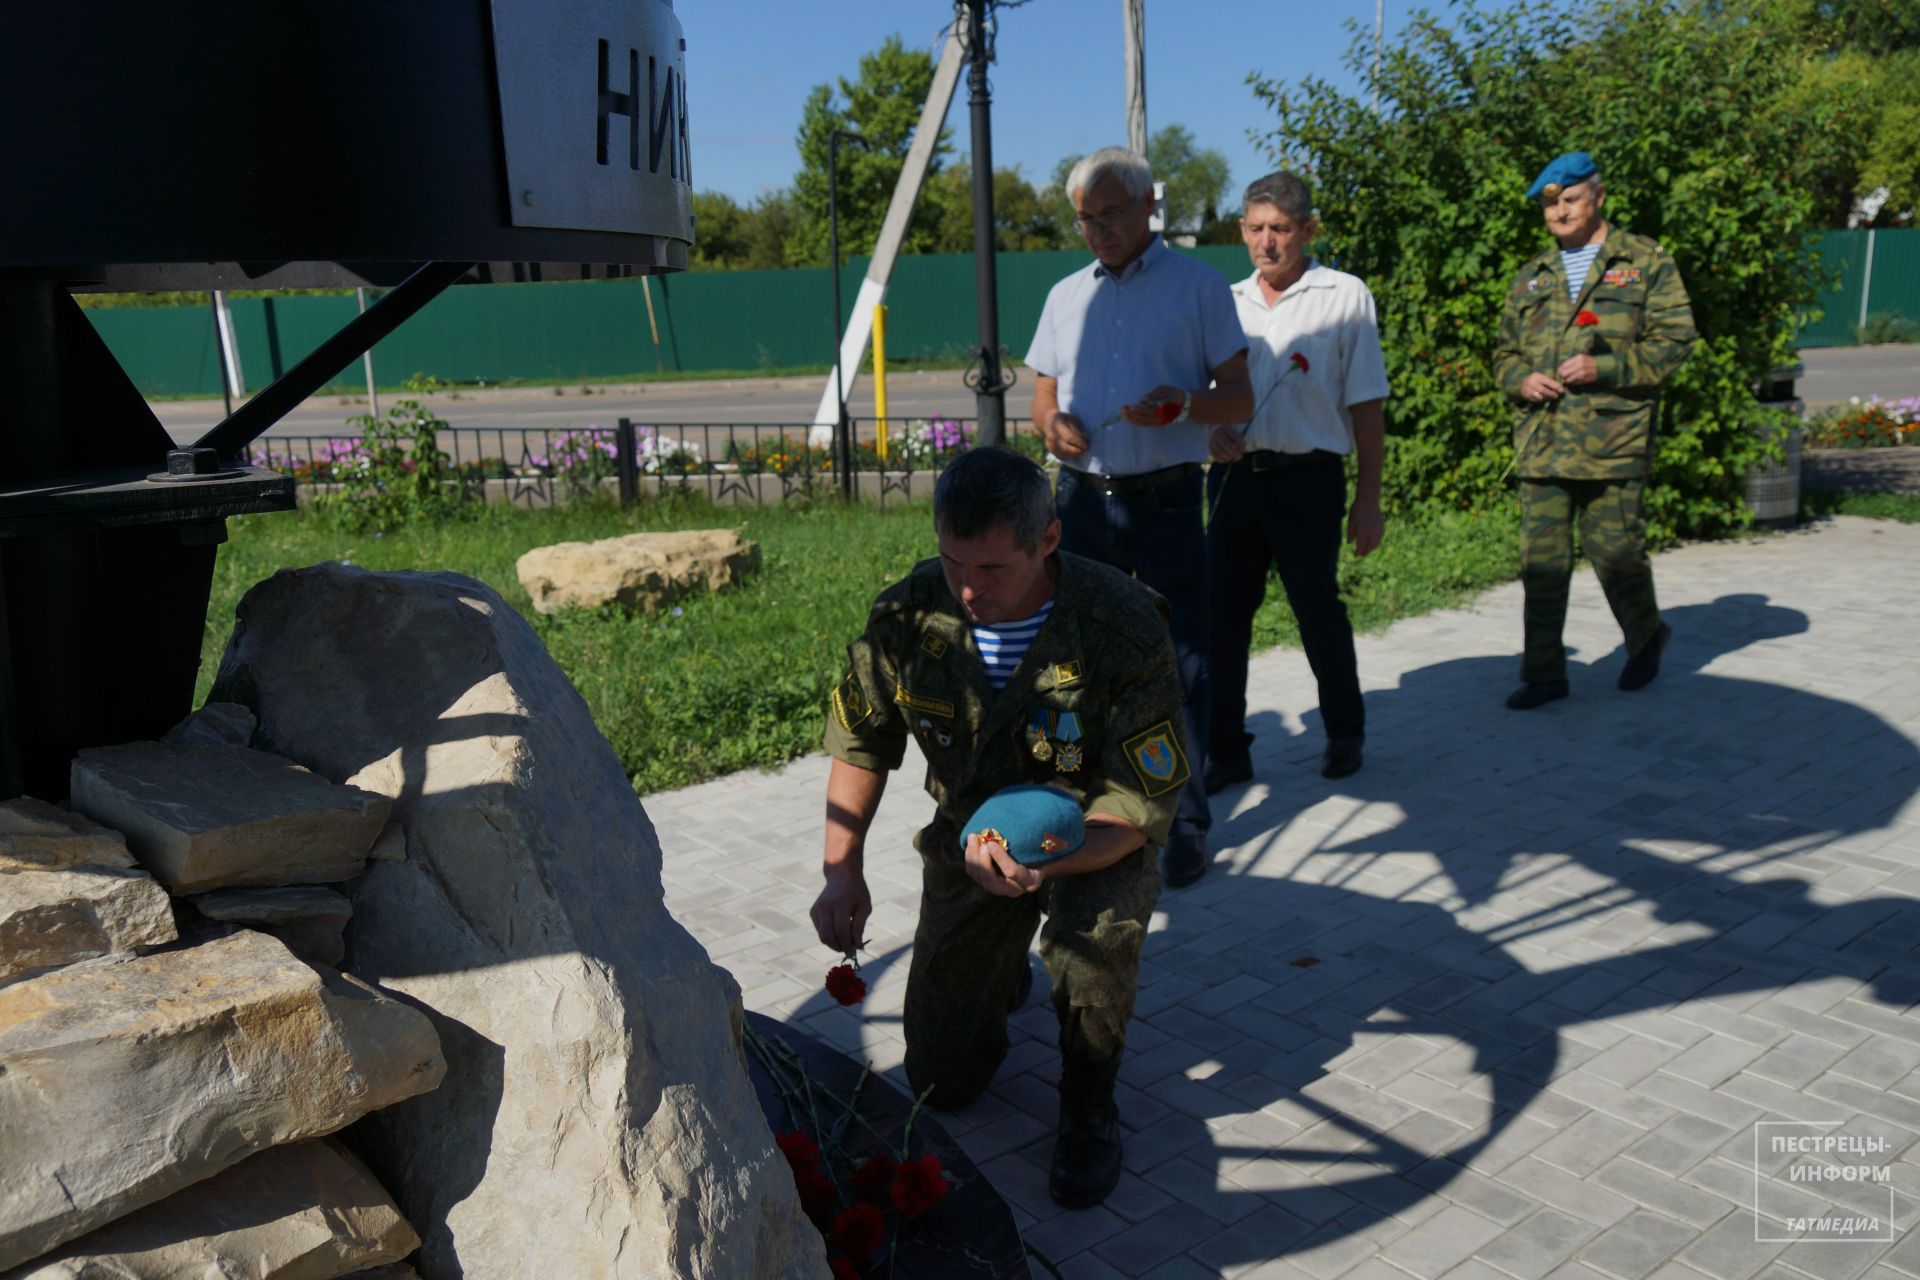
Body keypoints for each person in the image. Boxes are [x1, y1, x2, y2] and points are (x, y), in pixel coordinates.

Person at [810, 445, 1190, 1209]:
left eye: (992, 570)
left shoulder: (1120, 623)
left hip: (1089, 839)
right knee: (942, 1083)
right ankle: (998, 964)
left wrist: (1046, 872)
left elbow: (1139, 804)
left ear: (1048, 540)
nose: (969, 589)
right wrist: (840, 870)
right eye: (954, 562)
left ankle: (1088, 1102)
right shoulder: (910, 616)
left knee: (1095, 940)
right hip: (967, 841)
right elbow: (862, 739)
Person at [1025, 146, 1253, 887]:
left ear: (1150, 204)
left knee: (1180, 664)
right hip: (1082, 505)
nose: (1098, 231)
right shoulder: (1064, 296)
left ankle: (1183, 823)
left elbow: (1240, 399)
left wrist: (1182, 405)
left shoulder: (1199, 286)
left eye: (1111, 214)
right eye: (1086, 220)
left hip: (1166, 503)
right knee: (1070, 666)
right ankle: (1083, 811)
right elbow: (1041, 399)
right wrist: (1052, 426)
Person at [1492, 151, 1697, 710]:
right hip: (1543, 442)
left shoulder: (1644, 261)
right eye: (1549, 203)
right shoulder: (1532, 276)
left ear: (1598, 197)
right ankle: (1543, 674)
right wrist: (1521, 380)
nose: (1558, 211)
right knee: (1542, 565)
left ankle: (1647, 635)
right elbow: (1502, 353)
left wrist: (1603, 368)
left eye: (1569, 198)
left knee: (1617, 554)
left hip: (1612, 441)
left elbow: (1675, 341)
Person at [1204, 171, 1389, 792]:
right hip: (1235, 480)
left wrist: (1369, 500)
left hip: (1309, 480)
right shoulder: (1224, 301)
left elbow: (1367, 402)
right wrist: (1212, 435)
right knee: (1223, 618)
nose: (1267, 242)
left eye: (1280, 229)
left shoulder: (1343, 295)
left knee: (1317, 609)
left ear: (1307, 231)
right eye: (1255, 229)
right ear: (1241, 231)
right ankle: (1226, 749)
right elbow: (1206, 398)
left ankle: (1343, 731)